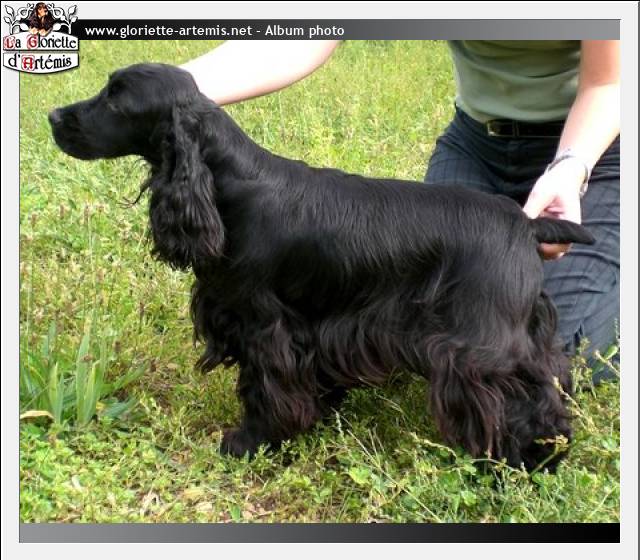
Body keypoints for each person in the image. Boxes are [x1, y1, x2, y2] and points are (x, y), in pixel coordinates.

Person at [180, 39, 620, 382]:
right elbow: (304, 33)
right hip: (478, 145)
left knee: (558, 354)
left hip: (594, 149)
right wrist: (171, 86)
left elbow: (609, 84)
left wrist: (570, 167)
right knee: (427, 316)